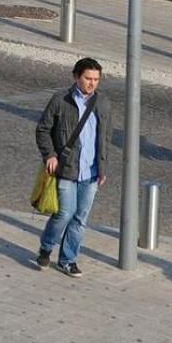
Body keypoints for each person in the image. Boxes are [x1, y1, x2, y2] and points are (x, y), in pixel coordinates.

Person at [34, 57, 111, 277]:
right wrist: (49, 154)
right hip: (67, 169)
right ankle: (46, 247)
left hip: (91, 172)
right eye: (88, 78)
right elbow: (43, 129)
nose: (92, 83)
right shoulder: (61, 100)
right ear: (76, 77)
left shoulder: (103, 103)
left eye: (96, 79)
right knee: (64, 214)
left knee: (80, 219)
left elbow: (105, 138)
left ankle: (68, 260)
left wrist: (103, 168)